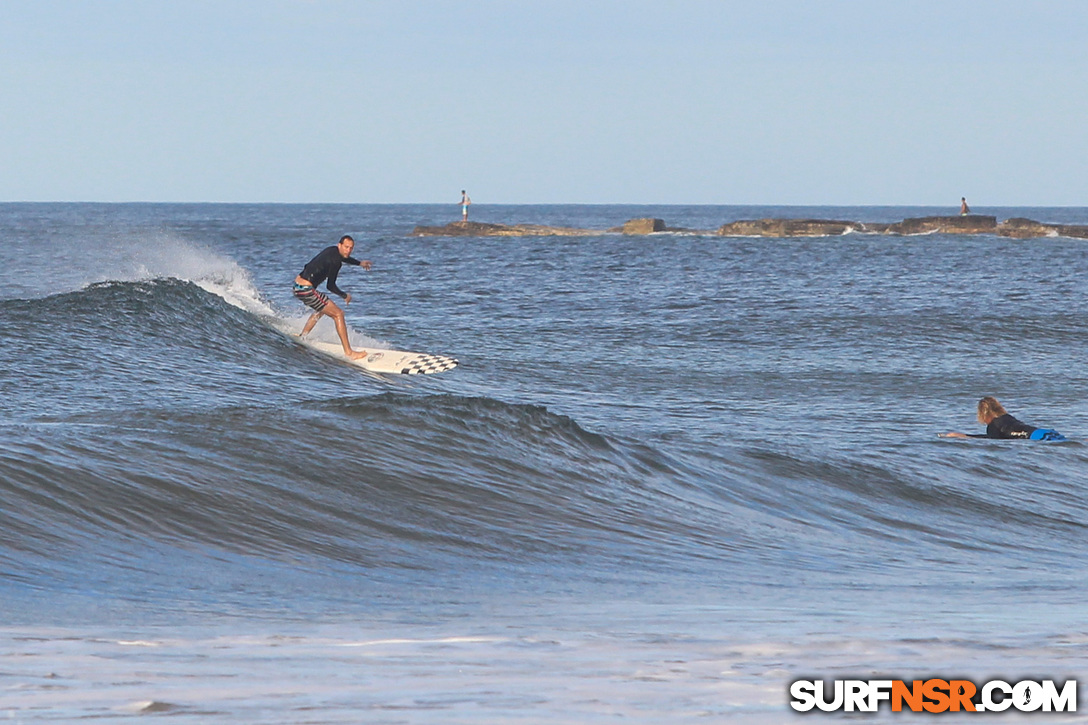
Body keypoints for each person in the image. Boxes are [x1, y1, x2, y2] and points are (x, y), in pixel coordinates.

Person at [293, 235, 373, 360]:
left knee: (322, 309)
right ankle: (349, 352)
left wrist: (359, 263)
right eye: (346, 247)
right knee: (338, 314)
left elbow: (343, 258)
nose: (348, 250)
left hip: (298, 286)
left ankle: (302, 336)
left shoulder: (332, 250)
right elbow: (330, 285)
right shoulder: (335, 262)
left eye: (351, 248)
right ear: (339, 245)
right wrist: (344, 295)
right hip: (306, 290)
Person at [940, 396, 1065, 441]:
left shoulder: (994, 425)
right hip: (1046, 432)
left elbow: (993, 441)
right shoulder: (1007, 418)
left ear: (983, 413)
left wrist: (964, 436)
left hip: (1037, 438)